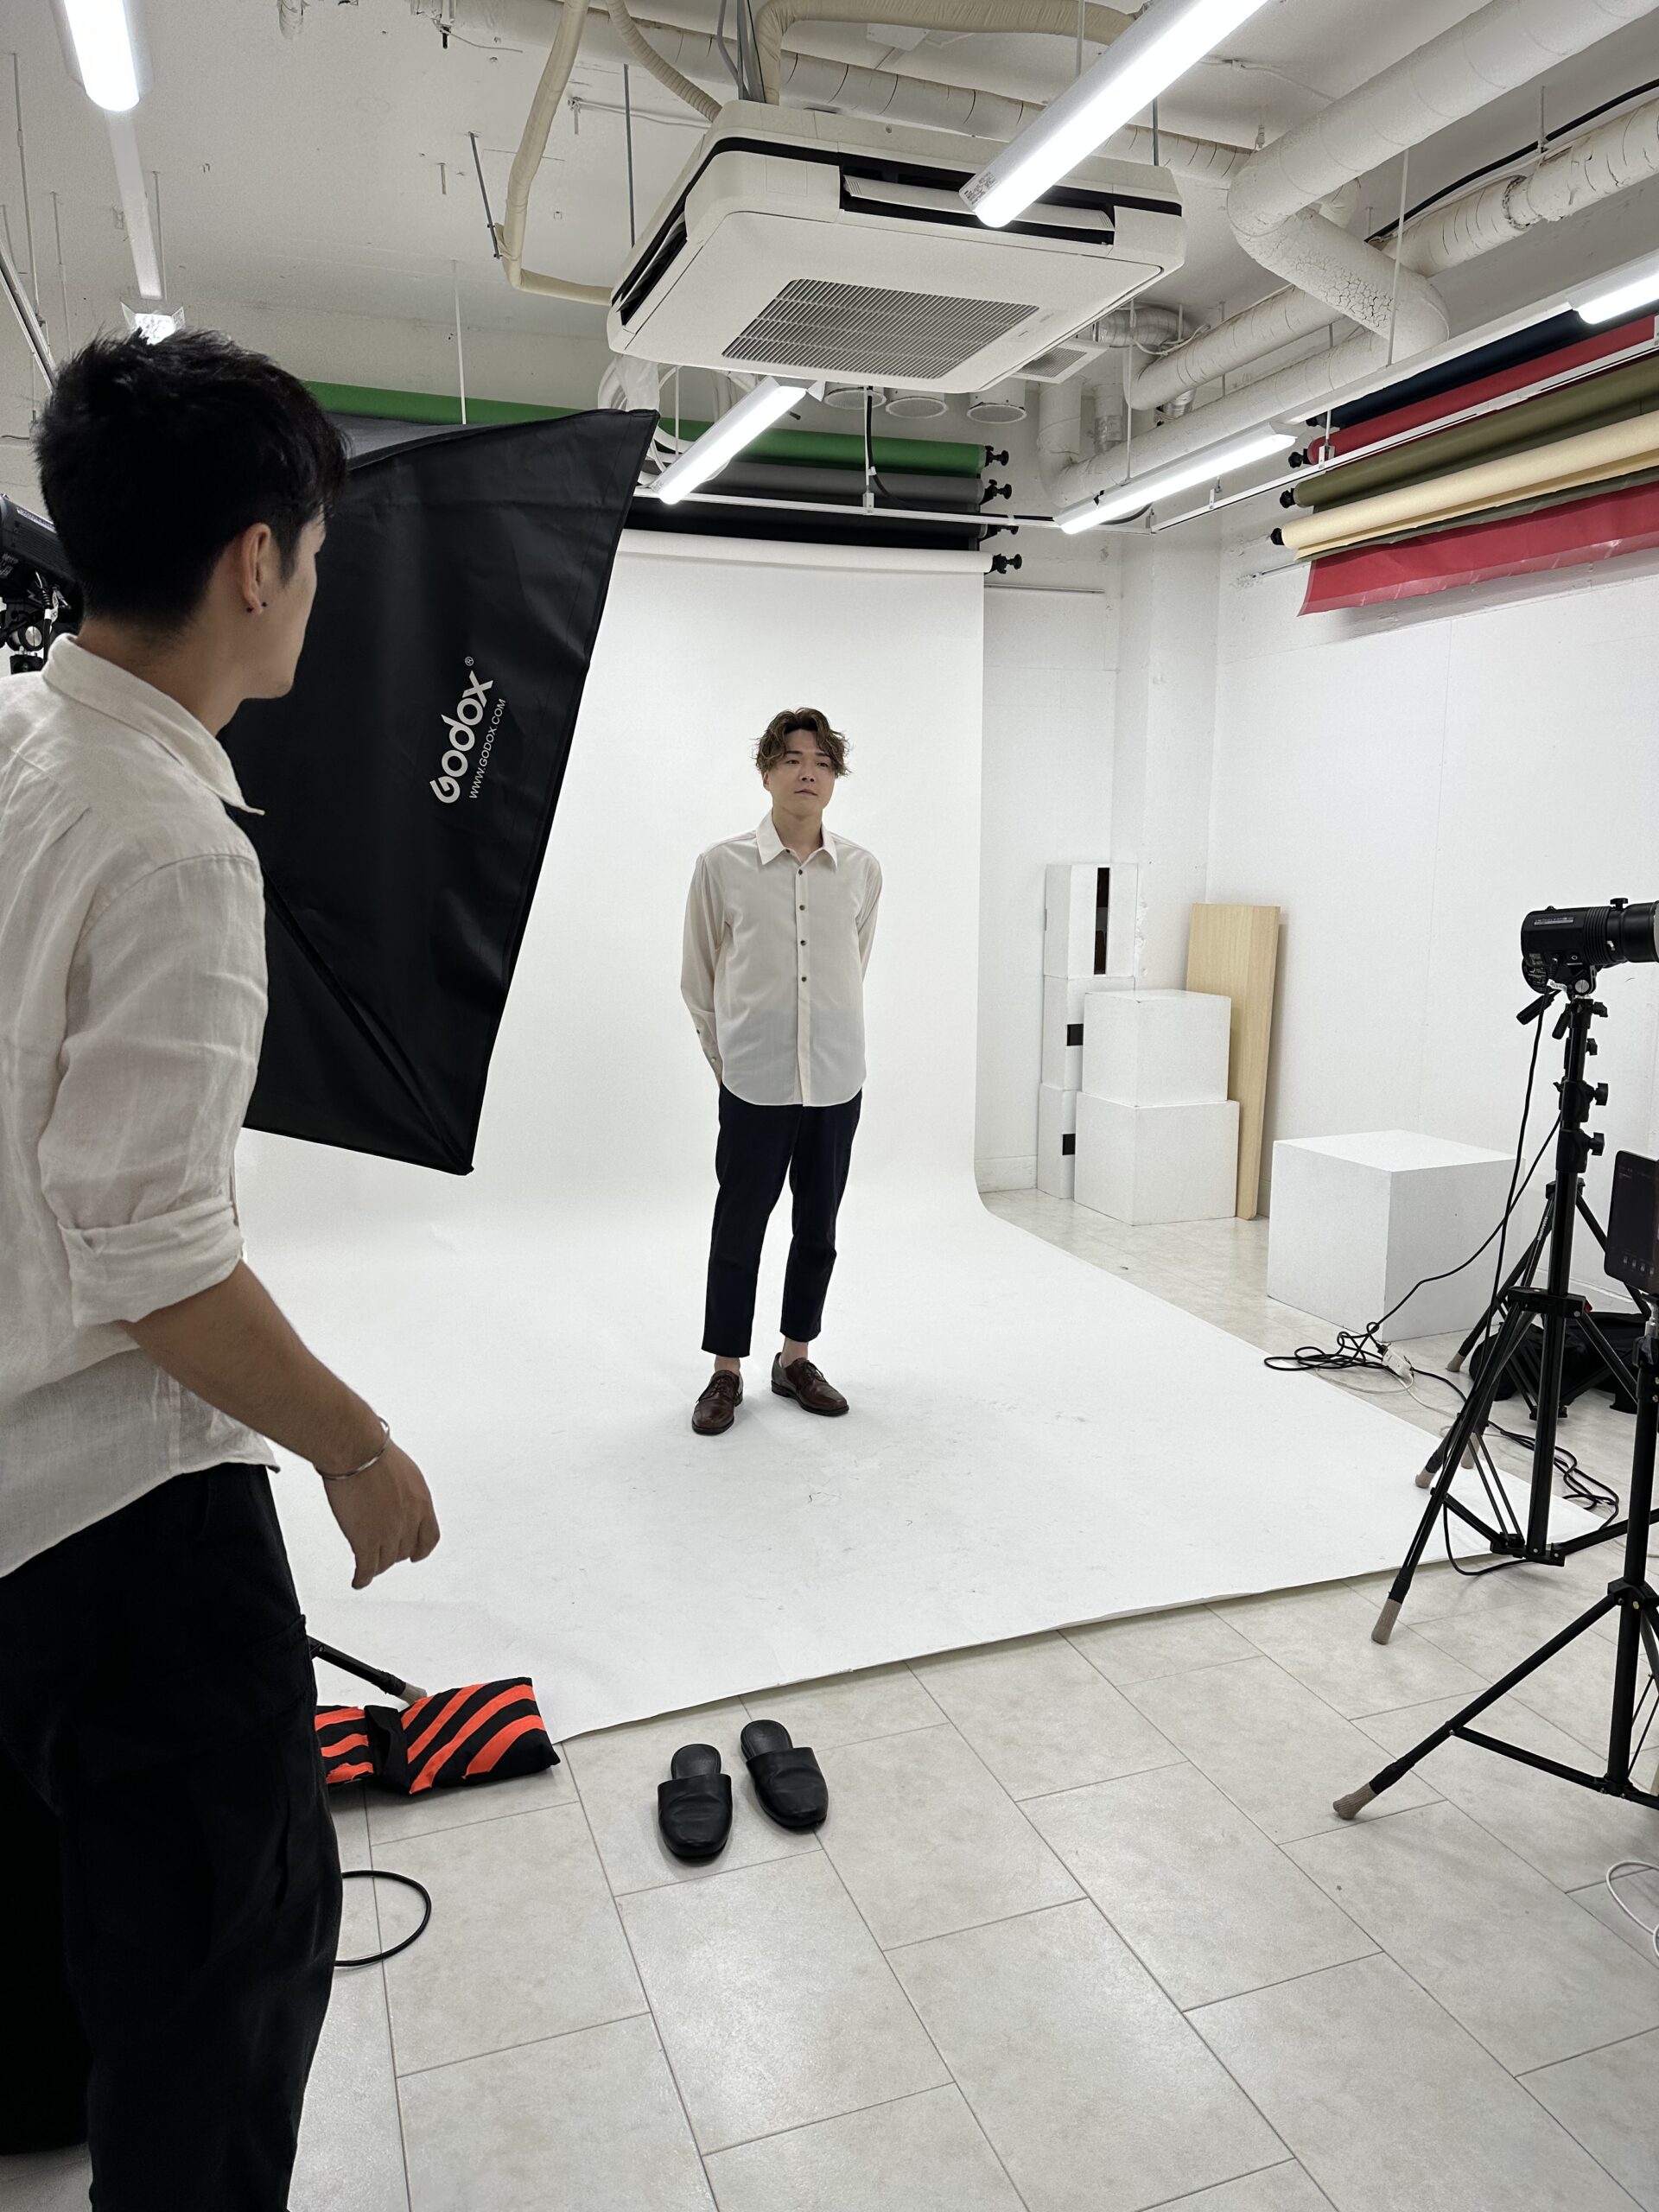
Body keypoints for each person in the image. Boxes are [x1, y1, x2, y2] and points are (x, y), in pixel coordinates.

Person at [0, 330, 441, 2208]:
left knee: (51, 1912)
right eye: (317, 553)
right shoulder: (177, 846)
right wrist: (357, 1445)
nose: (317, 587)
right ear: (255, 562)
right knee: (225, 1971)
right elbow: (157, 1261)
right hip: (124, 1519)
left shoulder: (18, 739)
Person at [681, 708, 882, 1436]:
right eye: (793, 759)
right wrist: (729, 1062)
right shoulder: (722, 866)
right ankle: (726, 1370)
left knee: (817, 1228)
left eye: (823, 762)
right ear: (767, 772)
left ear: (835, 778)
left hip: (834, 1079)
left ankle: (795, 1359)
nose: (808, 773)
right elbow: (699, 979)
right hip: (755, 1082)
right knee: (739, 1228)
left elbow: (853, 964)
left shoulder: (861, 870)